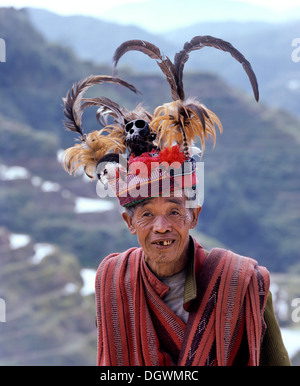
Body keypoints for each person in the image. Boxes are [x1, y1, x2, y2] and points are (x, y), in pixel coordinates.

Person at [60, 36, 291, 366]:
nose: (161, 226)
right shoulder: (112, 284)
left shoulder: (243, 283)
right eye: (147, 214)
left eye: (174, 210)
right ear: (129, 223)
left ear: (193, 216)